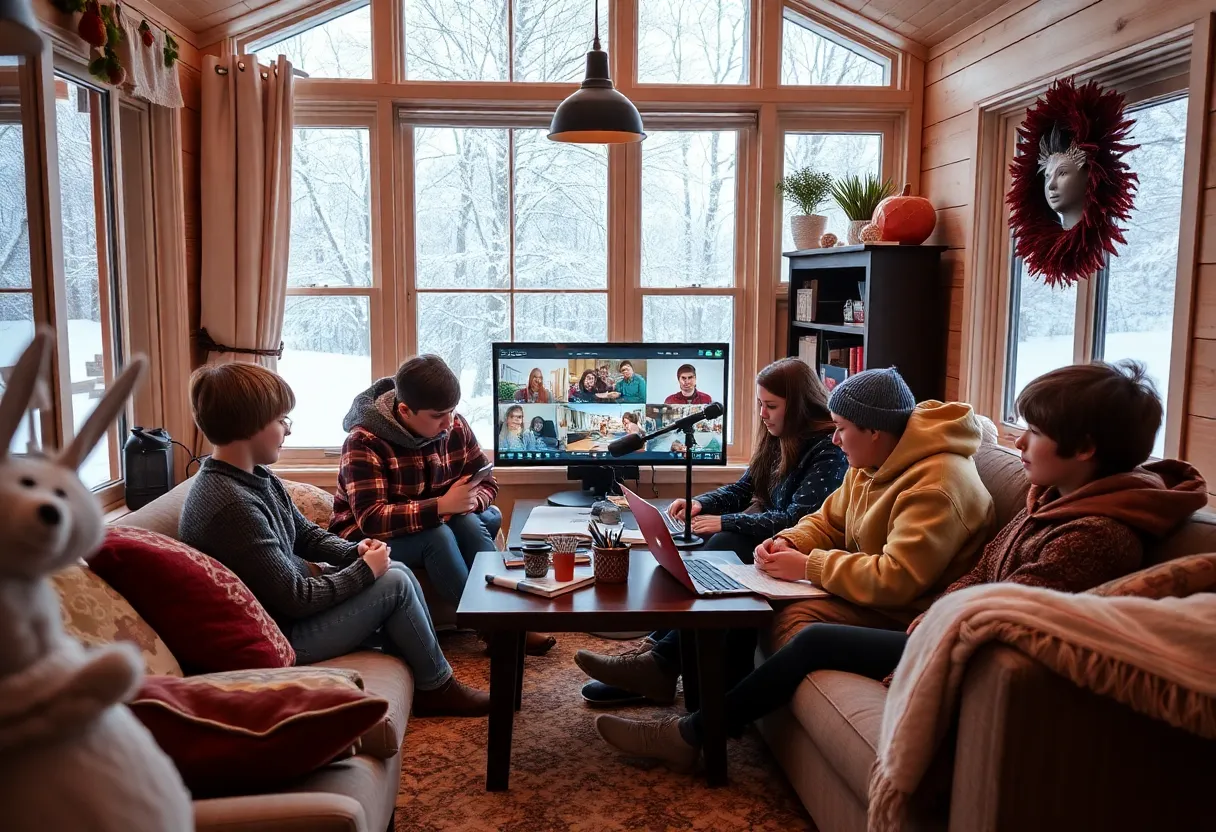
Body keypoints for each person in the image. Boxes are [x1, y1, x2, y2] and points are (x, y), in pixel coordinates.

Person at [592, 360, 1207, 770]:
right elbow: (972, 572)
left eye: (1034, 433)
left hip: (928, 629)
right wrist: (793, 546)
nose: (1018, 445)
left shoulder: (1088, 533)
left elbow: (1003, 615)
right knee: (740, 590)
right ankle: (672, 673)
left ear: (1085, 449)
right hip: (931, 620)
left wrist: (814, 571)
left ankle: (692, 736)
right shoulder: (1043, 498)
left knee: (808, 642)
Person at [179, 363, 490, 716]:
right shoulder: (231, 506)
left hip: (288, 616)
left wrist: (355, 550)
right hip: (282, 637)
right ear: (250, 427)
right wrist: (364, 571)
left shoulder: (252, 478)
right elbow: (296, 598)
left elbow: (307, 534)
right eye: (281, 420)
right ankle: (438, 687)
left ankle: (431, 673)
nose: (288, 430)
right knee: (395, 583)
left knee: (396, 570)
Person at [576, 358, 850, 706]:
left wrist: (726, 521)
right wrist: (700, 503)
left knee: (723, 541)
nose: (763, 414)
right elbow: (744, 489)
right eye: (759, 404)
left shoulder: (829, 450)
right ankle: (654, 658)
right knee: (704, 543)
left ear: (798, 406)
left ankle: (656, 666)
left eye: (771, 406)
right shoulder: (777, 436)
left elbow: (797, 520)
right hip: (769, 539)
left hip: (797, 550)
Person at [331, 355, 556, 656]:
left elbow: (487, 480)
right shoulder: (363, 441)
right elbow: (371, 519)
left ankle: (507, 615)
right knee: (439, 537)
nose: (449, 423)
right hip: (366, 539)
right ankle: (497, 629)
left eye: (452, 412)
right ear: (405, 411)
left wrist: (472, 500)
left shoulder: (453, 425)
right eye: (439, 416)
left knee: (469, 522)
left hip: (439, 520)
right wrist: (439, 506)